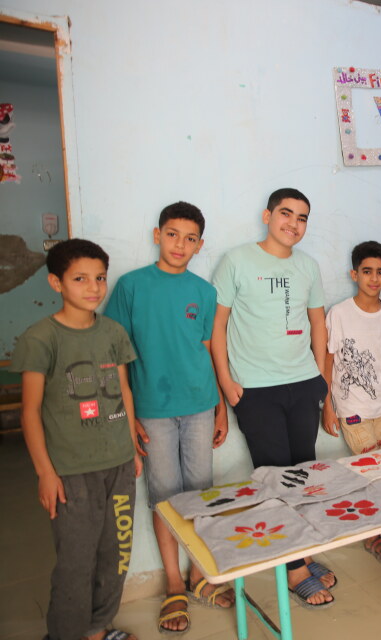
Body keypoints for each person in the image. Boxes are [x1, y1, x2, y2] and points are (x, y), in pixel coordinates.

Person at [104, 202, 232, 632]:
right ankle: (174, 583)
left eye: (190, 238)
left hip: (199, 406)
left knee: (200, 494)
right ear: (157, 235)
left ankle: (199, 576)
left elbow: (207, 351)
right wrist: (128, 416)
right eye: (173, 234)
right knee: (164, 498)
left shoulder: (203, 292)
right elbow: (117, 357)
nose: (180, 244)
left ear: (200, 244)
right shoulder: (131, 286)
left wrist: (219, 406)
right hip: (153, 411)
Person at [210, 188, 337, 608]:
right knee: (275, 476)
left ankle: (301, 553)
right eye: (286, 214)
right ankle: (294, 569)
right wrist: (226, 381)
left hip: (303, 383)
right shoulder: (237, 260)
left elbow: (317, 323)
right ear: (267, 216)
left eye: (302, 218)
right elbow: (217, 326)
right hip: (255, 389)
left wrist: (320, 379)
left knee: (303, 473)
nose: (293, 224)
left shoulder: (308, 266)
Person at [12, 239, 141, 640]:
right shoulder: (41, 338)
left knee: (115, 556)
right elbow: (30, 411)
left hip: (119, 464)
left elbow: (123, 390)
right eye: (80, 279)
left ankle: (97, 630)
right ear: (56, 283)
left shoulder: (113, 332)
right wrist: (45, 473)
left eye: (100, 278)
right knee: (76, 563)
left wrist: (132, 448)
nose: (93, 287)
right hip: (70, 472)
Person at [321, 240, 381, 579]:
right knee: (374, 471)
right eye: (367, 272)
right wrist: (327, 405)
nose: (374, 279)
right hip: (352, 410)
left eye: (380, 272)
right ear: (354, 274)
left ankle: (375, 535)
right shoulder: (339, 314)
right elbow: (328, 361)